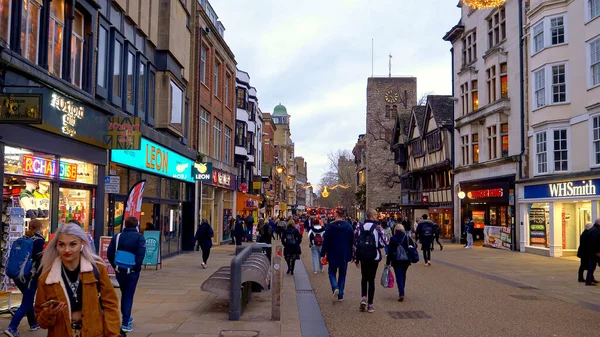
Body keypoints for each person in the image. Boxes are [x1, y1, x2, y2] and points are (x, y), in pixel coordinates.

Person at [34, 223, 121, 337]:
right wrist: (48, 314)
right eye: (61, 245)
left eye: (73, 244)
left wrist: (113, 334)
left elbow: (111, 305)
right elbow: (41, 321)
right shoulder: (47, 278)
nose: (67, 250)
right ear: (56, 246)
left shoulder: (97, 269)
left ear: (82, 244)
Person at [4, 220, 45, 337]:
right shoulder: (39, 241)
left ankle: (33, 323)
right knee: (27, 301)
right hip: (30, 276)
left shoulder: (22, 239)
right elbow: (39, 261)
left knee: (28, 298)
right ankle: (12, 327)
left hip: (17, 275)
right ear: (39, 228)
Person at [107, 216, 146, 332]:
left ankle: (127, 317)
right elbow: (140, 254)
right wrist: (136, 268)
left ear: (125, 224)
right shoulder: (139, 237)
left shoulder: (117, 237)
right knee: (128, 294)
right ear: (136, 225)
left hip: (119, 270)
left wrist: (115, 266)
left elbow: (109, 253)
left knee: (125, 293)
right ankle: (125, 322)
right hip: (132, 271)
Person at [353, 209, 386, 313]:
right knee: (371, 280)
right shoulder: (378, 227)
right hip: (374, 255)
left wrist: (356, 258)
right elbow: (384, 242)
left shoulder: (359, 226)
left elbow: (355, 242)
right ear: (374, 216)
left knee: (364, 277)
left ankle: (363, 298)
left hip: (363, 255)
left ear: (366, 216)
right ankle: (370, 304)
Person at [320, 208, 354, 303]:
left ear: (336, 215)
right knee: (342, 274)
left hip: (332, 252)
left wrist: (322, 254)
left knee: (332, 272)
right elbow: (352, 241)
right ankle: (340, 294)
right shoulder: (349, 227)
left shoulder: (330, 227)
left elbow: (326, 241)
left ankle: (335, 287)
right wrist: (351, 254)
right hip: (344, 253)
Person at [386, 223, 415, 302]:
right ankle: (402, 290)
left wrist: (388, 262)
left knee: (398, 275)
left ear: (395, 230)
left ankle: (401, 292)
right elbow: (414, 246)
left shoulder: (393, 238)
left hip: (396, 259)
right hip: (406, 259)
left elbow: (390, 251)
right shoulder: (407, 238)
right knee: (403, 274)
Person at [584, 218, 600, 285]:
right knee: (592, 266)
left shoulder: (593, 229)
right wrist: (597, 251)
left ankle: (590, 279)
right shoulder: (595, 231)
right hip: (593, 252)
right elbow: (595, 242)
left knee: (593, 265)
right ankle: (588, 280)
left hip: (591, 251)